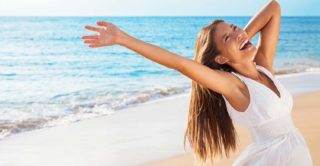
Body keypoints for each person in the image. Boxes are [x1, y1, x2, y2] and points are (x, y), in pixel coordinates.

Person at [82, 0, 313, 165]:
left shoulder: (263, 67)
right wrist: (122, 39)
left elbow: (274, 7)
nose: (237, 33)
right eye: (226, 38)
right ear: (221, 59)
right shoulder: (234, 86)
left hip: (295, 152)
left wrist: (238, 39)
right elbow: (180, 64)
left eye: (234, 28)